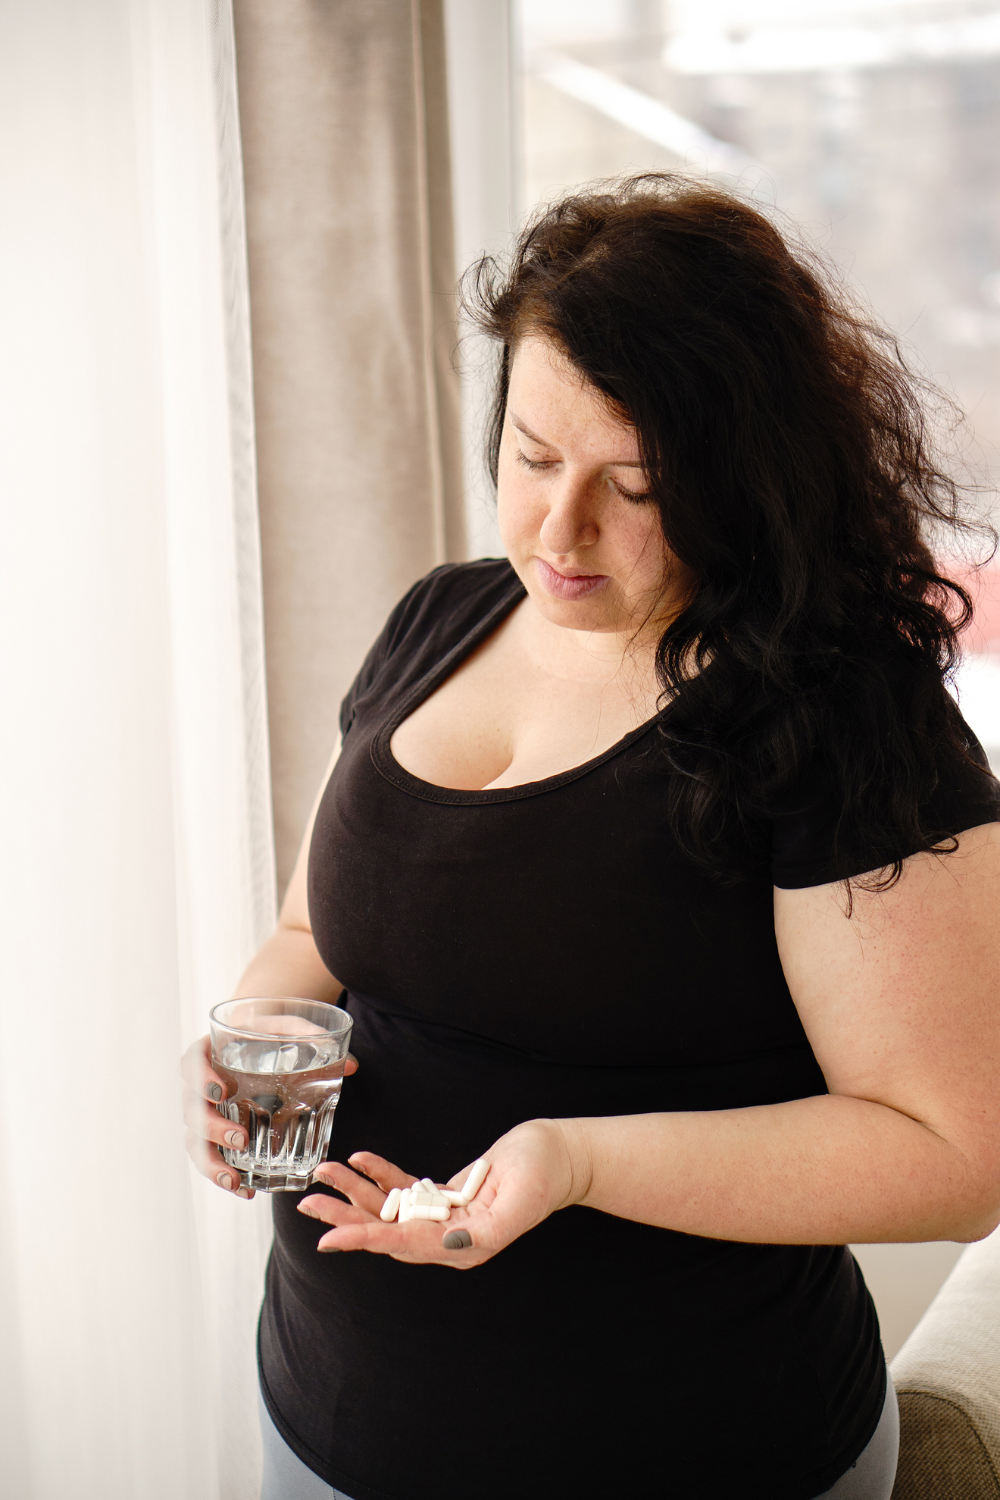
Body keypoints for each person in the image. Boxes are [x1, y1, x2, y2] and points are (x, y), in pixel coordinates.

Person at [183, 174, 1000, 1500]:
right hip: (326, 1413)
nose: (558, 532)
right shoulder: (443, 620)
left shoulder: (837, 715)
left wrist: (572, 1163)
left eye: (635, 485)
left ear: (746, 480)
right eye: (533, 457)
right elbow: (310, 938)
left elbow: (953, 1156)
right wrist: (245, 1050)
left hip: (692, 1446)